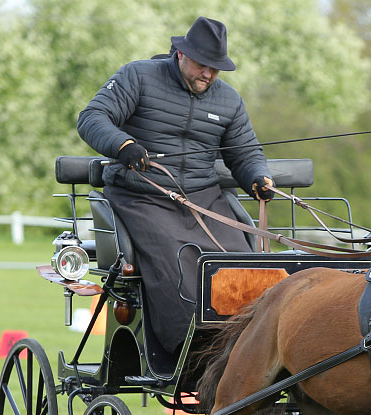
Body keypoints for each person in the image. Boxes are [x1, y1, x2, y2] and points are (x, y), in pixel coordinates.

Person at [77, 17, 274, 355]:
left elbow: (245, 154)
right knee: (178, 261)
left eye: (216, 69)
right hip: (142, 196)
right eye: (203, 65)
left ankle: (247, 347)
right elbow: (92, 118)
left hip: (204, 199)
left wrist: (258, 176)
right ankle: (189, 348)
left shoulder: (228, 100)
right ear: (181, 54)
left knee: (241, 261)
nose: (209, 75)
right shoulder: (137, 76)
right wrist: (124, 146)